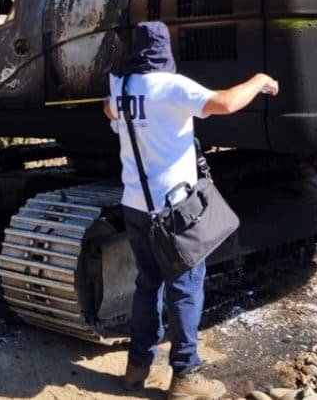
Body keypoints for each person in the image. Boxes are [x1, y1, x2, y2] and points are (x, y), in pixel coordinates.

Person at [103, 21, 279, 399]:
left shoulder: (120, 88)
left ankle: (136, 369)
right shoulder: (173, 87)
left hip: (134, 206)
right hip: (172, 211)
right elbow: (227, 102)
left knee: (147, 285)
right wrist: (260, 80)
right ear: (164, 51)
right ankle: (185, 376)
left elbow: (108, 111)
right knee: (184, 288)